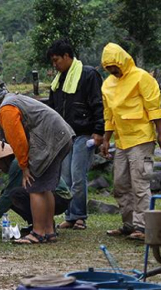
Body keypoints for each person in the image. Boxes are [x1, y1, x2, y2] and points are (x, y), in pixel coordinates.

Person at [0, 84, 75, 244]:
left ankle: (38, 232)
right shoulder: (13, 99)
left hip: (49, 141)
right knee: (45, 187)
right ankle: (49, 231)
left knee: (33, 187)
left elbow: (18, 141)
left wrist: (24, 166)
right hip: (61, 137)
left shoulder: (6, 109)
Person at [100, 43, 161, 241]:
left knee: (140, 183)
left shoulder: (142, 77)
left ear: (123, 61)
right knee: (120, 184)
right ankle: (129, 224)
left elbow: (154, 107)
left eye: (115, 66)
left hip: (142, 138)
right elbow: (109, 115)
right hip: (121, 141)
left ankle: (143, 226)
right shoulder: (107, 84)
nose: (113, 70)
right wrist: (106, 140)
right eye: (109, 68)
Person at [47, 38, 105, 231]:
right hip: (65, 135)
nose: (55, 65)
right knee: (65, 178)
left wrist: (98, 131)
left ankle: (79, 215)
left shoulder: (88, 75)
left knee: (78, 175)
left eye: (57, 60)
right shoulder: (58, 81)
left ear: (67, 56)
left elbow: (98, 104)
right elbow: (52, 109)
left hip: (83, 132)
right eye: (53, 62)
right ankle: (70, 216)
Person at [0, 140, 72, 239]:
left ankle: (42, 226)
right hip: (56, 196)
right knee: (12, 194)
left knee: (15, 194)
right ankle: (39, 224)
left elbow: (7, 197)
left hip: (59, 197)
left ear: (4, 159)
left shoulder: (17, 163)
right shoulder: (17, 161)